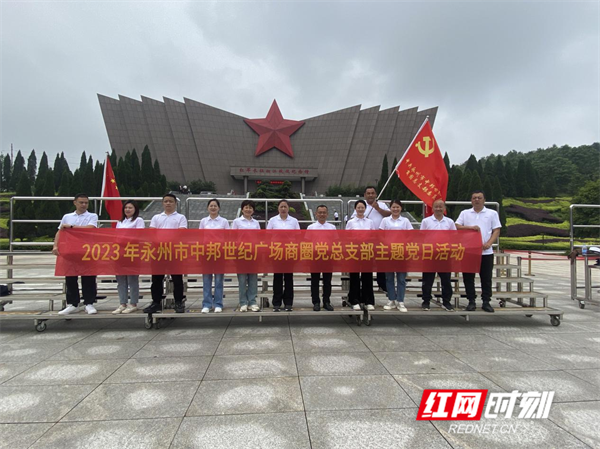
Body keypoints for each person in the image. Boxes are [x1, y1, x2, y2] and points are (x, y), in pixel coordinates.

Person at [456, 190, 501, 313]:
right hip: (469, 251)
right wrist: (470, 227)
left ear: (484, 200)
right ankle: (471, 301)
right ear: (471, 200)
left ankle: (486, 301)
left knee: (486, 278)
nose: (477, 200)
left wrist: (489, 243)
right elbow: (457, 226)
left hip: (486, 252)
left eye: (479, 198)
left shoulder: (492, 213)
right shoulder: (465, 213)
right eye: (474, 198)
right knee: (468, 277)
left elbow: (496, 230)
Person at [53, 194, 99, 315]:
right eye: (81, 202)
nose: (84, 205)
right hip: (70, 250)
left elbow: (90, 228)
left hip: (87, 250)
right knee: (70, 277)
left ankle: (89, 303)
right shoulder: (67, 216)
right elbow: (60, 231)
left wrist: (72, 227)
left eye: (86, 203)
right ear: (75, 203)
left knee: (88, 276)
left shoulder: (92, 216)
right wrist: (55, 245)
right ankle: (73, 304)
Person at [143, 193, 188, 314]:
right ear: (163, 203)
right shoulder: (156, 217)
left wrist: (163, 237)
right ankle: (156, 302)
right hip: (158, 252)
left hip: (174, 252)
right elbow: (152, 233)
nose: (168, 203)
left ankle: (178, 302)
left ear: (175, 203)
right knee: (157, 279)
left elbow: (181, 233)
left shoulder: (180, 218)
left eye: (171, 201)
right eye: (166, 201)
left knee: (177, 279)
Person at [420, 199, 457, 312]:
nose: (438, 208)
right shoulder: (426, 221)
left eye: (441, 206)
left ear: (444, 208)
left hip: (444, 254)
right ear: (432, 208)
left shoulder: (449, 222)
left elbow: (454, 236)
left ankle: (446, 301)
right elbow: (421, 236)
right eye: (436, 206)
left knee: (446, 279)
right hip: (430, 254)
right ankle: (426, 301)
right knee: (427, 279)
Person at [352, 186, 391, 292]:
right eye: (368, 193)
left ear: (376, 194)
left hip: (380, 238)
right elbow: (353, 219)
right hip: (365, 240)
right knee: (366, 263)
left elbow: (389, 214)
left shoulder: (381, 204)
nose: (370, 195)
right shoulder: (362, 205)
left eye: (372, 193)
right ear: (365, 195)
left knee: (381, 262)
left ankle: (382, 284)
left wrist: (378, 208)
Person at [112, 201, 145, 314]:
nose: (128, 210)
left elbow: (139, 235)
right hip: (120, 252)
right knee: (121, 280)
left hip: (132, 253)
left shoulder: (138, 220)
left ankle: (133, 303)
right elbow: (116, 236)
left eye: (130, 208)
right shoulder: (120, 222)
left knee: (132, 279)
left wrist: (125, 240)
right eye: (126, 207)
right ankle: (122, 303)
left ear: (135, 209)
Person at [379, 200, 413, 312]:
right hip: (389, 252)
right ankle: (391, 299)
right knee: (389, 277)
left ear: (401, 208)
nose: (395, 209)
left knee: (401, 278)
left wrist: (403, 243)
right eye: (393, 207)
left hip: (401, 252)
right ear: (390, 208)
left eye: (397, 207)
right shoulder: (385, 220)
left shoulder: (405, 221)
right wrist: (388, 244)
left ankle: (401, 301)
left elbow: (410, 235)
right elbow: (380, 235)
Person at [267, 199, 300, 311]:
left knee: (289, 278)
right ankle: (276, 303)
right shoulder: (272, 220)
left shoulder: (294, 221)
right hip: (277, 252)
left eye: (285, 206)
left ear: (288, 208)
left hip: (290, 251)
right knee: (277, 278)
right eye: (281, 206)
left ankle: (288, 303)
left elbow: (298, 236)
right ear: (278, 208)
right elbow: (267, 235)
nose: (283, 209)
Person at [199, 199, 229, 313]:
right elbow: (200, 237)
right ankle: (206, 304)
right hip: (207, 253)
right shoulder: (203, 221)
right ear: (207, 208)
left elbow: (228, 237)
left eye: (215, 206)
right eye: (211, 206)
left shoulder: (224, 221)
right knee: (206, 279)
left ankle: (218, 304)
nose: (213, 208)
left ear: (219, 208)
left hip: (220, 253)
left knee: (218, 280)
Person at [232, 199, 261, 312]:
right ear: (242, 209)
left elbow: (259, 238)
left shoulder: (256, 223)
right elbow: (233, 238)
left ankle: (252, 302)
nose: (248, 209)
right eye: (246, 207)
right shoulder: (237, 222)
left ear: (253, 210)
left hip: (253, 254)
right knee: (242, 279)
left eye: (250, 207)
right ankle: (243, 302)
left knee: (253, 279)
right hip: (241, 253)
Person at [346, 200, 375, 310]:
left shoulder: (370, 222)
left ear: (365, 209)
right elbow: (347, 237)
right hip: (354, 252)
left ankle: (368, 301)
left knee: (367, 276)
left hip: (367, 251)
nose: (360, 209)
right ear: (355, 209)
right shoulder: (351, 222)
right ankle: (354, 300)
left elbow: (374, 236)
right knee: (354, 277)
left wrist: (366, 239)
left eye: (362, 207)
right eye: (358, 207)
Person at [307, 205, 336, 311]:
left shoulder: (332, 227)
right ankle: (316, 302)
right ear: (316, 214)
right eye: (320, 212)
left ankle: (327, 301)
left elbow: (335, 243)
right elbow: (307, 243)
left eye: (324, 212)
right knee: (314, 281)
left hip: (328, 257)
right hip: (315, 257)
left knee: (327, 281)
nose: (322, 214)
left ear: (327, 214)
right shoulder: (311, 227)